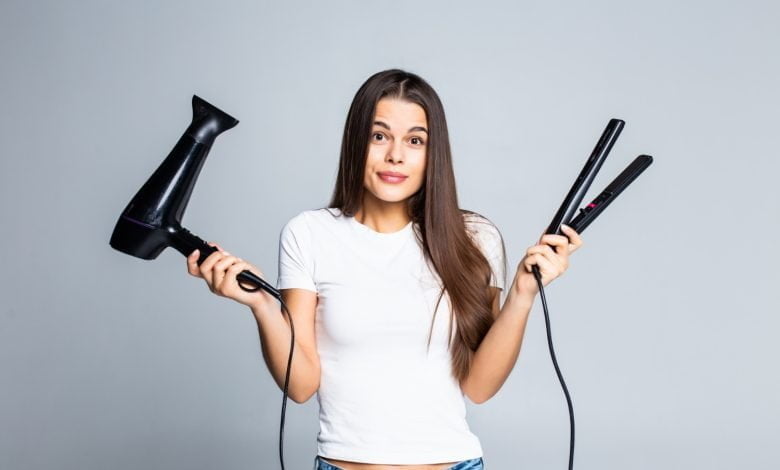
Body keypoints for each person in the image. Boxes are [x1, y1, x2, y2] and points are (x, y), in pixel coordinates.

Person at [186, 69, 583, 470]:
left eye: (415, 140)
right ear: (356, 143)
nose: (396, 155)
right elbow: (301, 385)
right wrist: (263, 307)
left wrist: (521, 295)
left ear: (434, 153)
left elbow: (478, 387)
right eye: (379, 136)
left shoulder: (475, 237)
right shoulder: (309, 234)